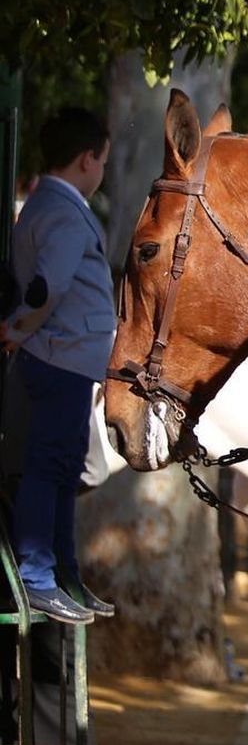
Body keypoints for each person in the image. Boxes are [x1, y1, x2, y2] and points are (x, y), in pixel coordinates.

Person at [4, 108, 117, 625]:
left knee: (64, 468)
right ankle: (38, 576)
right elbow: (46, 286)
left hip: (68, 360)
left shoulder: (49, 205)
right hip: (59, 359)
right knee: (51, 468)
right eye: (103, 162)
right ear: (87, 159)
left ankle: (63, 573)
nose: (102, 173)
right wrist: (18, 327)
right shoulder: (64, 211)